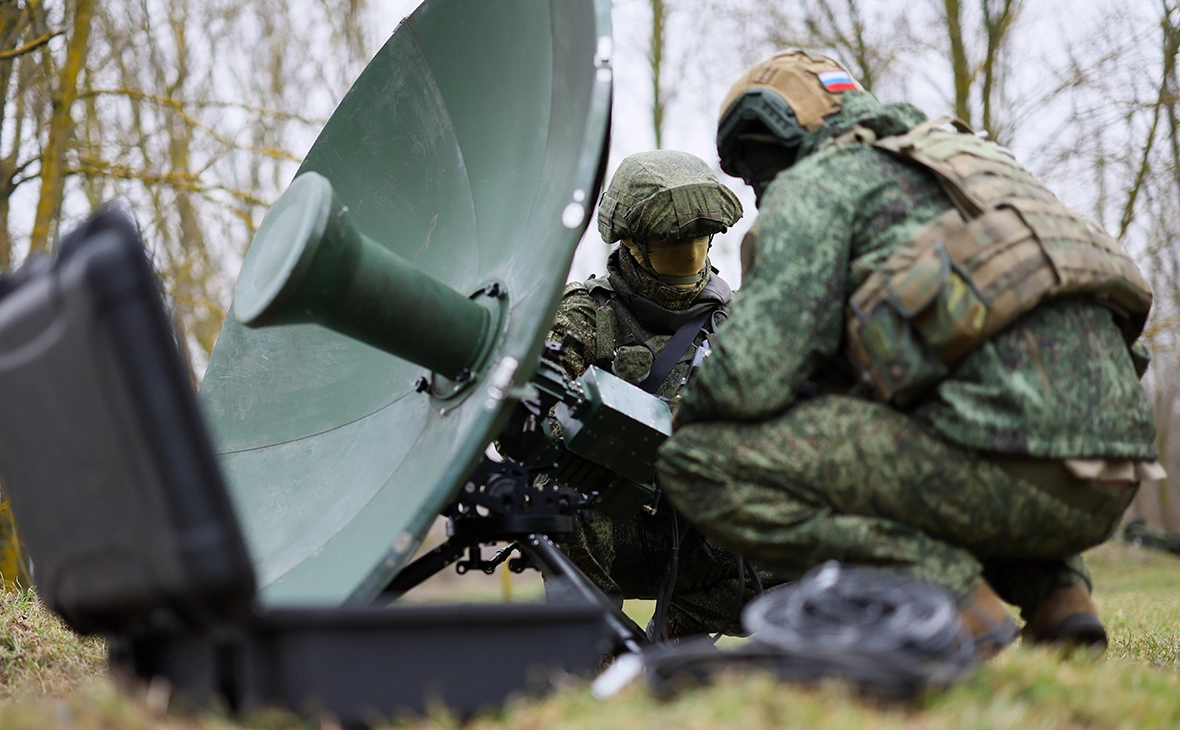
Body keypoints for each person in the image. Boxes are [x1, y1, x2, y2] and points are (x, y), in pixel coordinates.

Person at [657, 49, 1163, 654]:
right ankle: (1061, 600)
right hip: (1110, 478)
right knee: (926, 422)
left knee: (698, 459)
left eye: (755, 163)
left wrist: (690, 408)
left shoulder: (819, 184)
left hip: (1002, 468)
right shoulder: (976, 164)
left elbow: (752, 378)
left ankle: (952, 596)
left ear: (777, 132)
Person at [543, 149, 764, 639]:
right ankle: (596, 656)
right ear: (633, 245)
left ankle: (674, 647)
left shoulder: (743, 322)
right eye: (670, 248)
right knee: (554, 489)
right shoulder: (584, 313)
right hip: (609, 529)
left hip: (706, 533)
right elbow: (536, 411)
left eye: (699, 244)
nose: (687, 260)